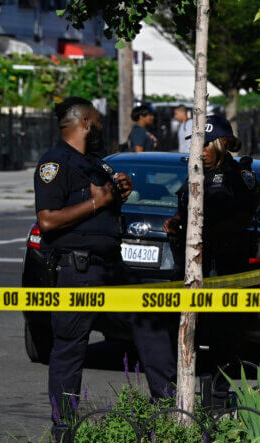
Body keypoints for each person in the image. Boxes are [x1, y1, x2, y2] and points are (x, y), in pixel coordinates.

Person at [34, 96, 175, 418]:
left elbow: (103, 207)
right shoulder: (55, 163)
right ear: (84, 122)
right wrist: (100, 202)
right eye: (97, 121)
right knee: (70, 348)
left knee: (151, 322)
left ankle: (168, 411)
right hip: (77, 270)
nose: (100, 127)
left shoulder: (96, 163)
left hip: (113, 268)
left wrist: (118, 195)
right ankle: (64, 429)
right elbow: (47, 220)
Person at [163, 115, 258, 279]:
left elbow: (243, 218)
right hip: (192, 260)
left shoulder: (235, 175)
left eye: (206, 144)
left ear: (224, 142)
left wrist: (205, 236)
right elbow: (189, 202)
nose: (200, 149)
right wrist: (177, 219)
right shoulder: (196, 172)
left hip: (223, 262)